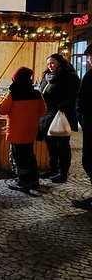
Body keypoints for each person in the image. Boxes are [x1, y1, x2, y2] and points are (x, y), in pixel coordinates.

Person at [0, 66, 47, 192]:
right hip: (30, 131)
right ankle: (34, 180)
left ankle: (23, 181)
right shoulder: (36, 94)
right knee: (30, 155)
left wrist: (3, 98)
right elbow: (43, 112)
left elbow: (1, 110)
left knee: (19, 157)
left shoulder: (13, 94)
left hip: (16, 131)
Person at [37, 53, 80, 183]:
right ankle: (52, 169)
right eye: (48, 63)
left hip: (62, 114)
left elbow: (74, 95)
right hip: (48, 113)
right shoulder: (47, 76)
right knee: (50, 143)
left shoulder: (69, 77)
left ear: (60, 63)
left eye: (53, 63)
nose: (50, 66)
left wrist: (63, 105)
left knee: (62, 144)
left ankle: (63, 172)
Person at [73, 44, 92, 209]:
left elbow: (82, 99)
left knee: (89, 161)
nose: (87, 61)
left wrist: (82, 118)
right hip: (88, 122)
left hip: (91, 124)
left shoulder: (90, 76)